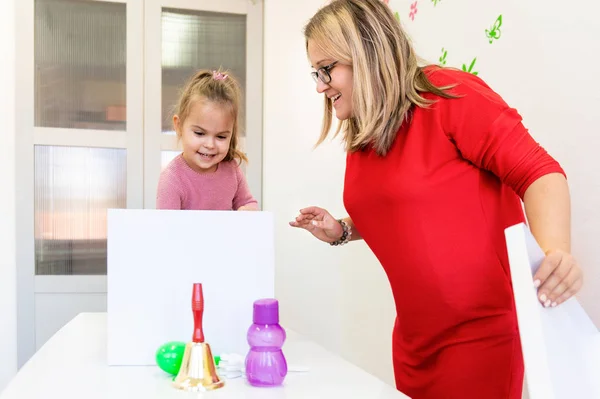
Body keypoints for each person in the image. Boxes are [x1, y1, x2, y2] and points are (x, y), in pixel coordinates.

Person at [289, 1, 583, 398]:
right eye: (315, 73)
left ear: (367, 50)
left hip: (480, 336)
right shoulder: (365, 136)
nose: (320, 86)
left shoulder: (448, 96)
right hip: (413, 341)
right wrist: (341, 229)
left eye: (327, 69)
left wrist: (555, 254)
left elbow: (540, 174)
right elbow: (409, 210)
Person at [157, 69, 258, 211]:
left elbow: (249, 203)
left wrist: (247, 211)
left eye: (221, 137)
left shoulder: (232, 169)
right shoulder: (172, 179)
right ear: (178, 126)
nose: (210, 145)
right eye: (199, 133)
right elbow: (166, 228)